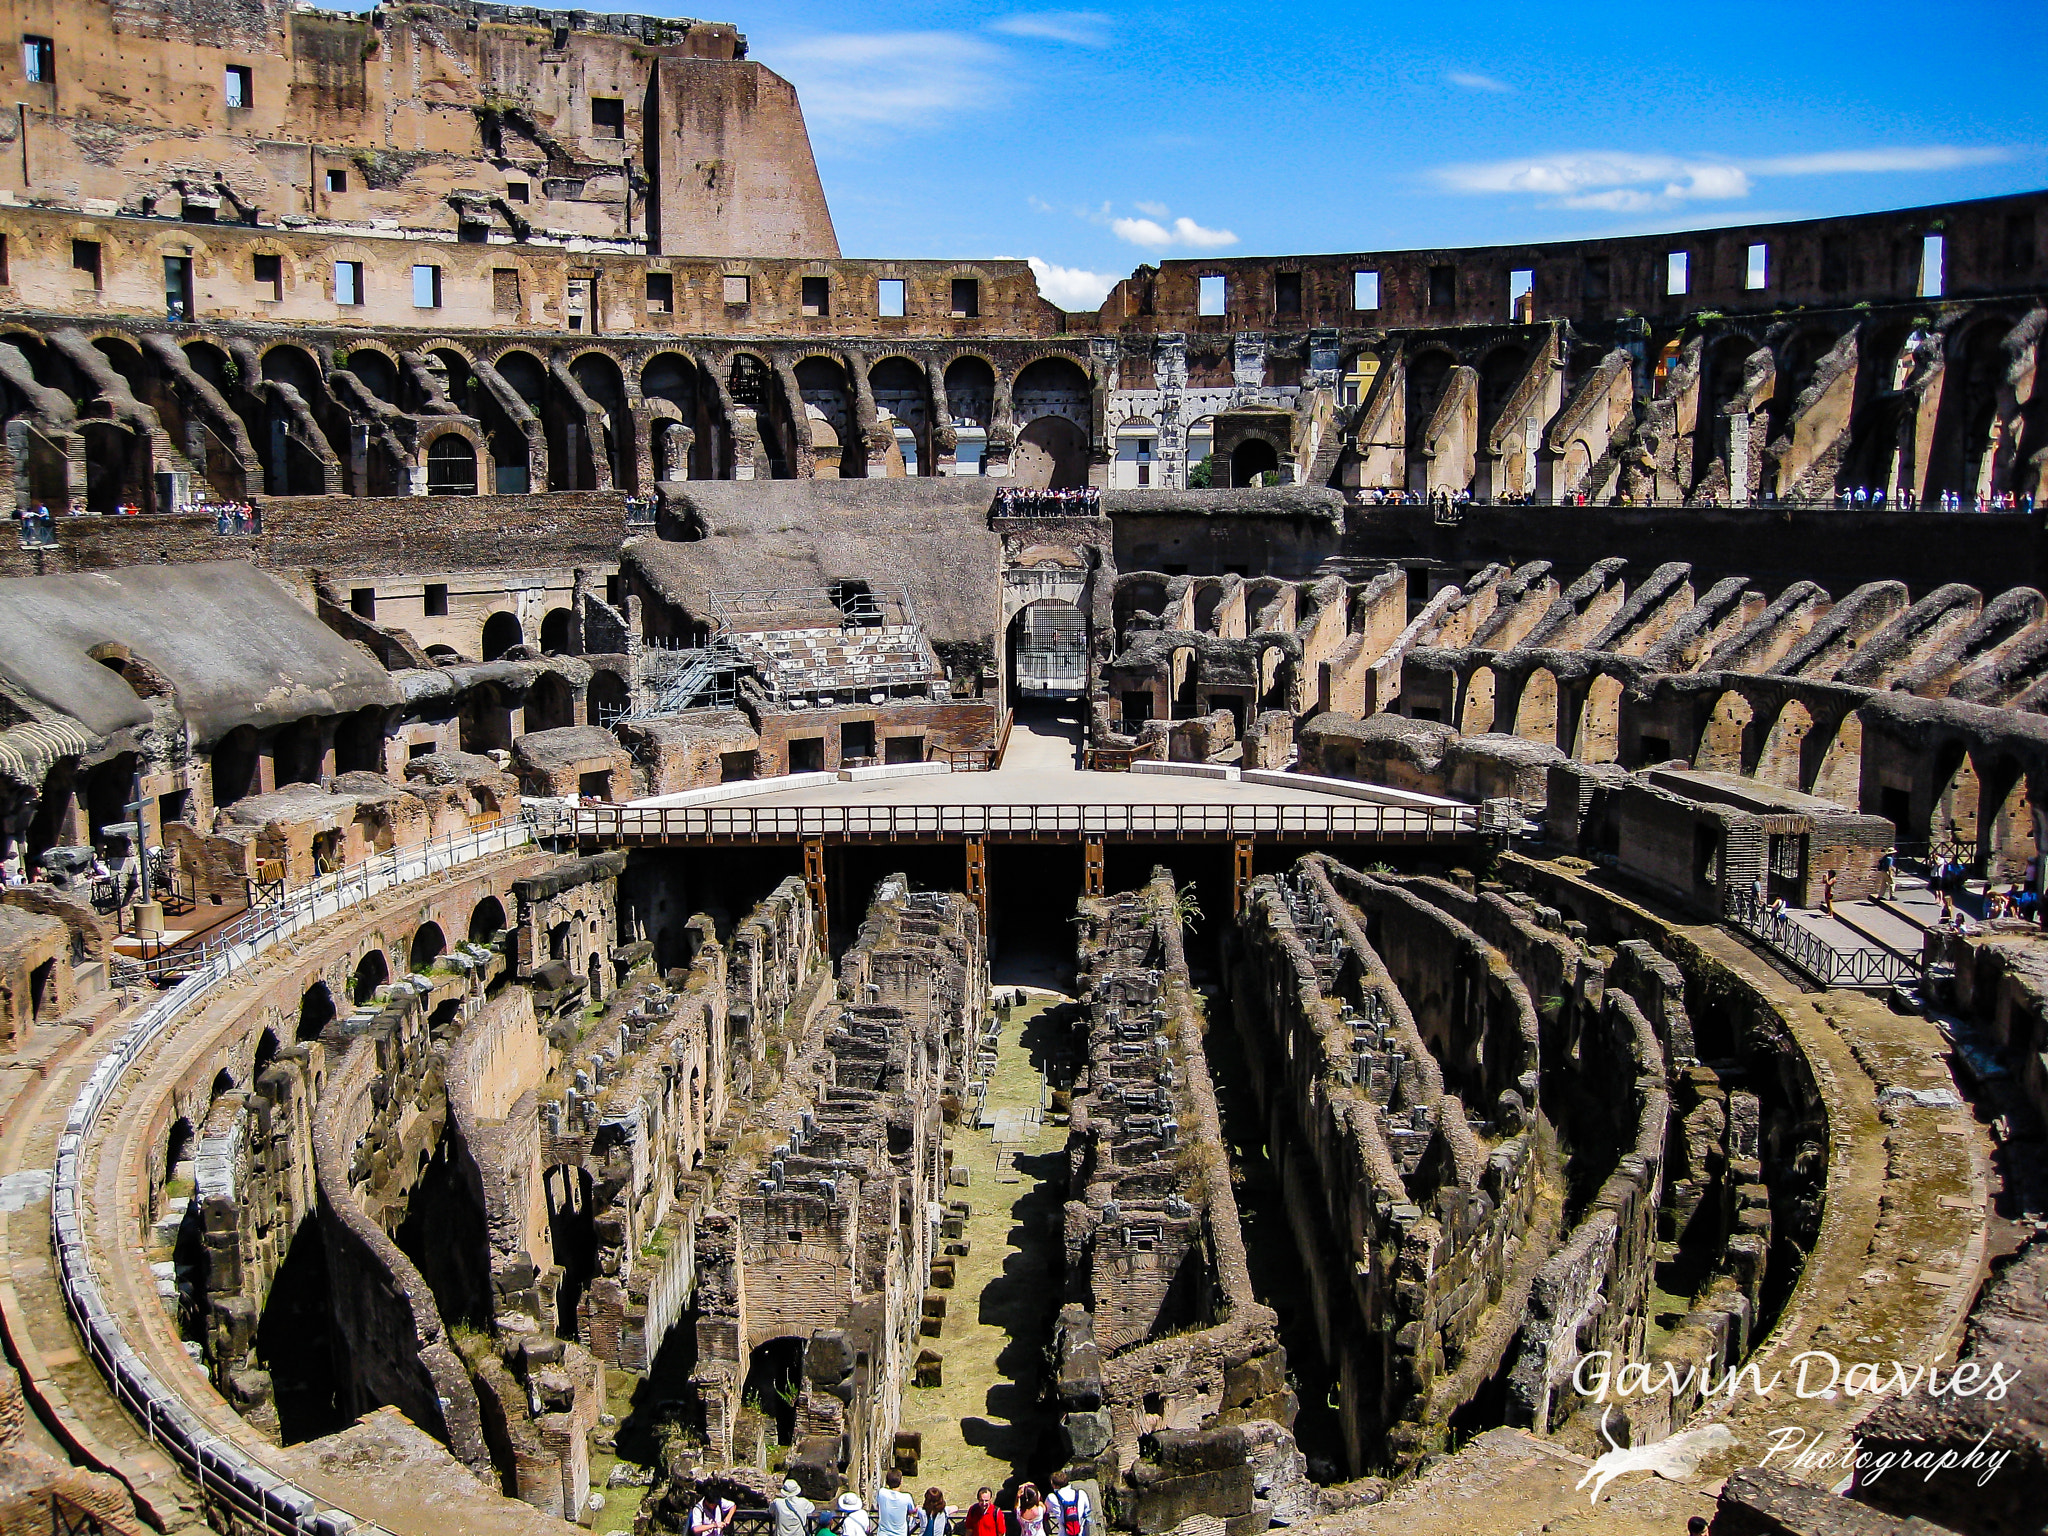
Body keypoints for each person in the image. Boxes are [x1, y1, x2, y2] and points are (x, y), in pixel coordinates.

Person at [1047, 1472, 1090, 1536]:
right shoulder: (1081, 1494)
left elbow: (1045, 1510)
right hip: (1080, 1533)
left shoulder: (1052, 1497)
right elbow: (1087, 1511)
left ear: (1055, 1486)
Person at [876, 1470, 916, 1536]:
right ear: (901, 1482)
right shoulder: (906, 1497)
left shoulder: (882, 1493)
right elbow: (912, 1510)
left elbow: (878, 1504)